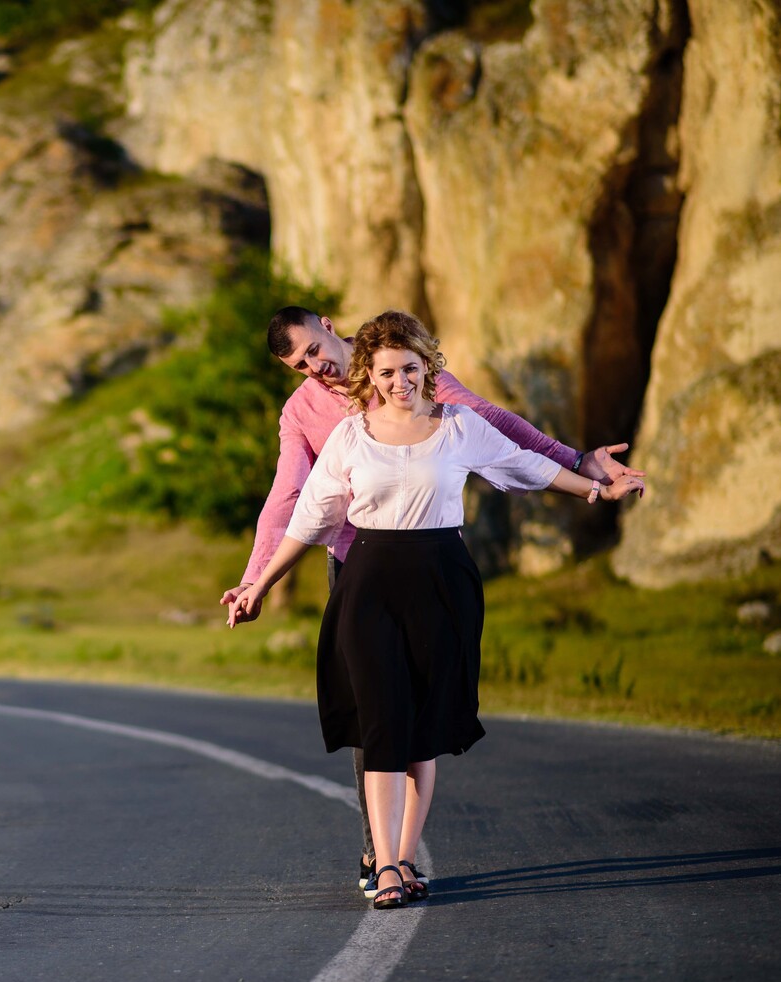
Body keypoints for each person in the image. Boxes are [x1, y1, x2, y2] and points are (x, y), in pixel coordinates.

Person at [220, 305, 644, 898]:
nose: (315, 368)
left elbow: (501, 434)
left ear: (327, 324)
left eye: (314, 351)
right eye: (300, 365)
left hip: (436, 569)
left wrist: (578, 463)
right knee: (377, 716)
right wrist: (254, 579)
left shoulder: (418, 377)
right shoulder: (312, 414)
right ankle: (382, 854)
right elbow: (290, 499)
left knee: (420, 718)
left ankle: (400, 855)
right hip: (359, 563)